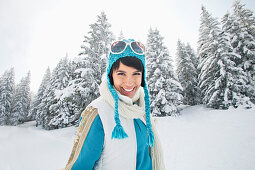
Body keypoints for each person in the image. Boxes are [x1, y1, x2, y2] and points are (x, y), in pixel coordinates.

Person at [64, 39, 165, 170]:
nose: (129, 82)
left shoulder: (140, 110)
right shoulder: (98, 112)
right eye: (121, 73)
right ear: (111, 75)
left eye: (136, 74)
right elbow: (79, 166)